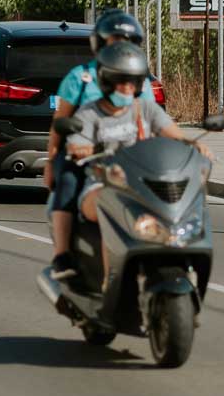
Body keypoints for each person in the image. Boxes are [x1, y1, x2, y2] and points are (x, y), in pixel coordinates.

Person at [64, 41, 209, 284]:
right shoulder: (89, 113)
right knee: (106, 204)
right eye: (121, 81)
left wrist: (195, 145)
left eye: (132, 82)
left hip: (140, 185)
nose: (127, 88)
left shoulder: (146, 109)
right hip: (101, 183)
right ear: (107, 82)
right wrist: (98, 148)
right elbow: (76, 147)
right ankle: (110, 280)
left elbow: (174, 134)